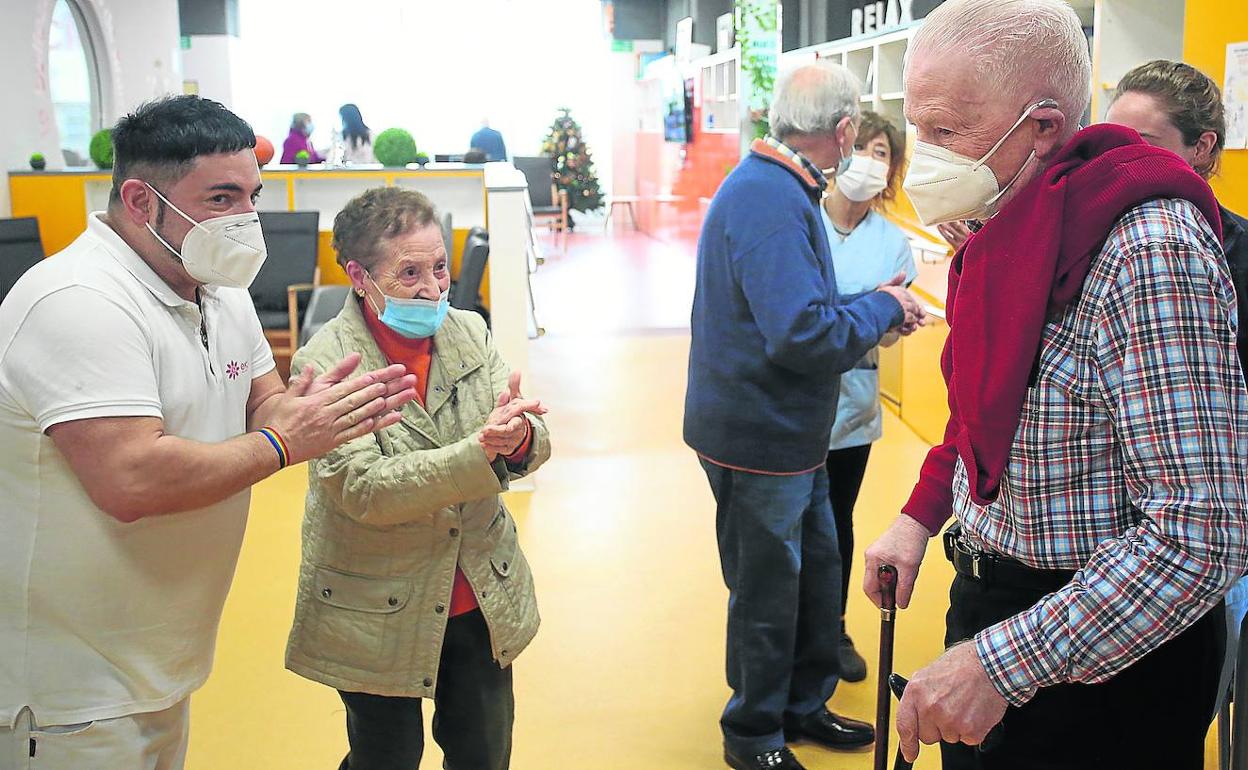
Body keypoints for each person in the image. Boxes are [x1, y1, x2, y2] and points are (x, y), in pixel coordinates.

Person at [862, 2, 1248, 768]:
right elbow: (989, 414)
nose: (924, 158)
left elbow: (1204, 533)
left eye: (947, 132)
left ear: (1041, 129)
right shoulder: (1008, 224)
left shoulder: (1147, 251)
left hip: (1102, 668)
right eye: (918, 127)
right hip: (997, 606)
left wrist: (1001, 665)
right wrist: (920, 516)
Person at [0, 95, 416, 769]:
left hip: (157, 664)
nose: (246, 219)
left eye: (250, 195)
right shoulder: (78, 302)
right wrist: (282, 445)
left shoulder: (215, 291)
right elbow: (131, 478)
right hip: (66, 694)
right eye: (221, 198)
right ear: (140, 200)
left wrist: (308, 412)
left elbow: (263, 406)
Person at [685, 61, 926, 770]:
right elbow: (800, 332)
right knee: (766, 592)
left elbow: (805, 316)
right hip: (757, 439)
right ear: (845, 129)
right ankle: (754, 733)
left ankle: (802, 703)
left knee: (817, 571)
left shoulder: (784, 187)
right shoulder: (768, 198)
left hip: (795, 435)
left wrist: (867, 306)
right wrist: (882, 306)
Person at [284, 186, 550, 770]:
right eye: (409, 273)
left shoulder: (469, 333)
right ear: (359, 276)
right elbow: (364, 490)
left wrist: (519, 439)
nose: (432, 288)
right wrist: (478, 455)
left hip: (476, 592)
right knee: (387, 756)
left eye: (439, 268)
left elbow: (522, 441)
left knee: (484, 752)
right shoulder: (325, 364)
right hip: (377, 601)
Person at [1105, 56, 1248, 719]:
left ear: (1203, 148)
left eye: (1145, 147)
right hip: (1112, 533)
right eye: (1109, 143)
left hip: (1202, 523)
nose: (1120, 164)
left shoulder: (1232, 252)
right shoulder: (1099, 242)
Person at [818, 109, 917, 684]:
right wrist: (870, 306)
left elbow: (885, 323)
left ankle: (833, 628)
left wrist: (886, 314)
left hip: (852, 406)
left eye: (886, 155)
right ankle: (799, 631)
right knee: (791, 529)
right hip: (793, 406)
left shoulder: (893, 244)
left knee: (836, 521)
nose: (873, 163)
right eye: (868, 149)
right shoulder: (803, 222)